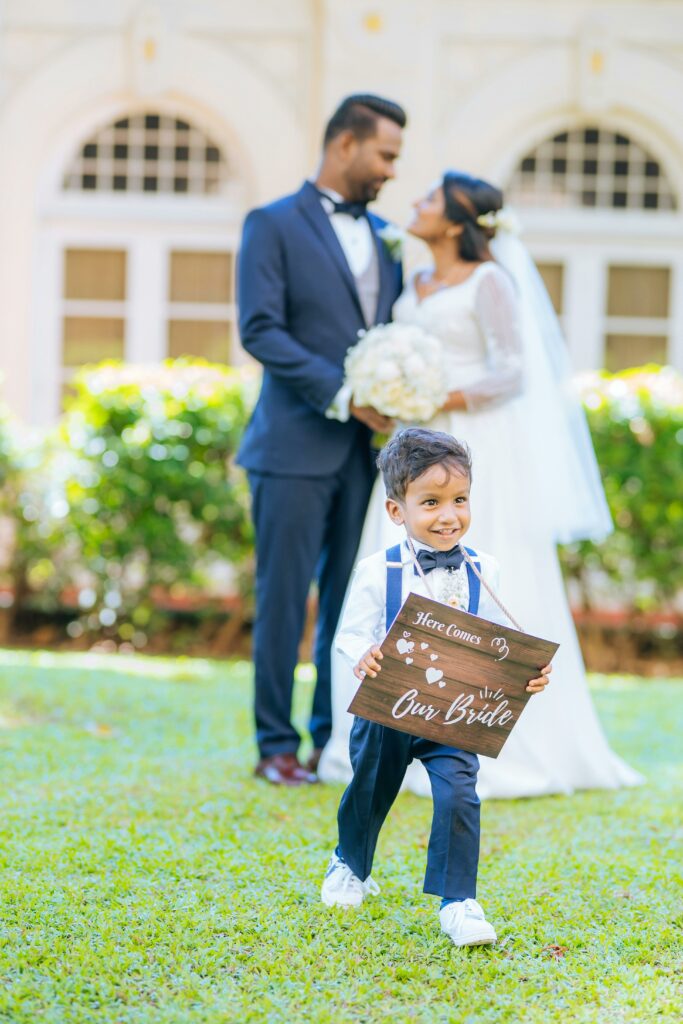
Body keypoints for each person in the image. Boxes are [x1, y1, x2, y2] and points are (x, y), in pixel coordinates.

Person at [319, 171, 643, 798]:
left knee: (481, 576)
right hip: (414, 448)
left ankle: (483, 733)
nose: (416, 202)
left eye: (429, 198)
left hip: (473, 441)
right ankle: (388, 731)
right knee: (394, 574)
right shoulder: (415, 281)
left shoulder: (490, 280)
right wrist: (394, 396)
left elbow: (512, 373)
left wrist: (433, 396)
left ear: (455, 219)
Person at [321, 428, 552, 947]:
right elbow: (350, 633)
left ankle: (458, 901)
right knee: (370, 789)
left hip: (452, 714)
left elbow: (499, 641)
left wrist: (525, 673)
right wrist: (363, 652)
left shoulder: (484, 570)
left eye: (460, 500)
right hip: (387, 708)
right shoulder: (377, 570)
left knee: (459, 796)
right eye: (431, 503)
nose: (449, 516)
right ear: (396, 511)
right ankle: (350, 864)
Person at [237, 94, 406, 785]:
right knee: (283, 599)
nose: (391, 169)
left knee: (351, 600)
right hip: (291, 448)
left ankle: (331, 739)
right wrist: (343, 395)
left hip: (368, 457)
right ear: (345, 144)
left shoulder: (390, 235)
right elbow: (260, 328)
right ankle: (275, 745)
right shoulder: (272, 223)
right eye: (385, 154)